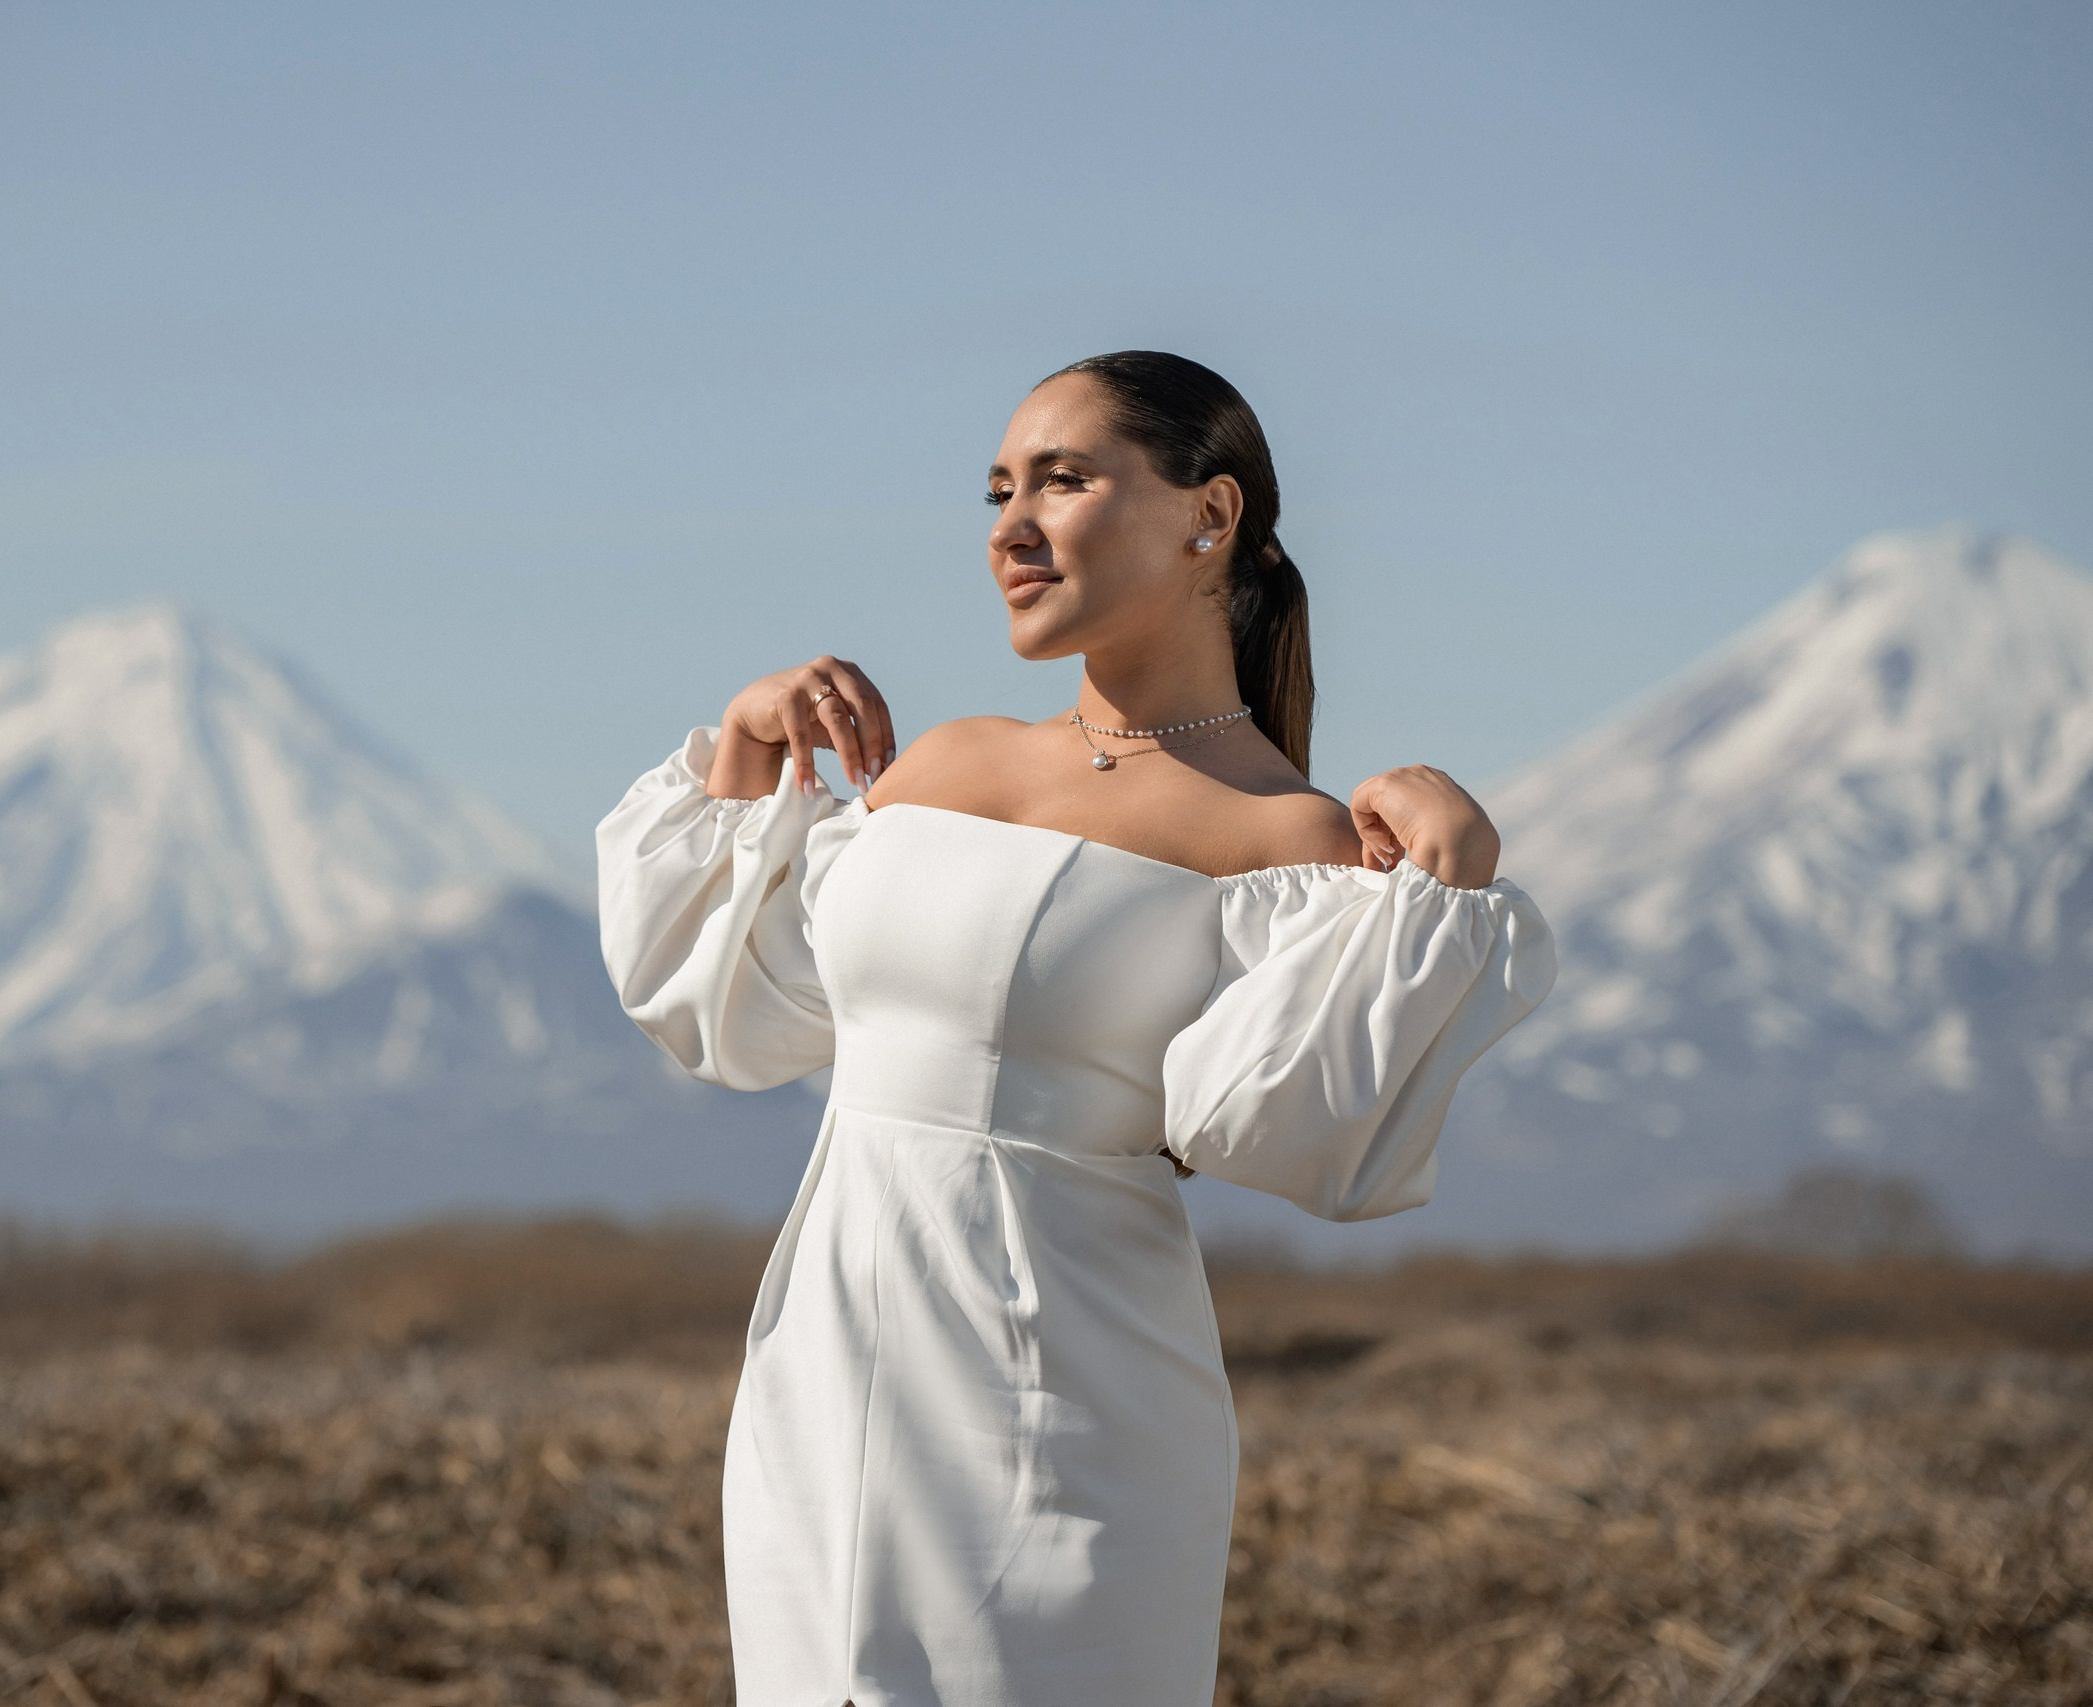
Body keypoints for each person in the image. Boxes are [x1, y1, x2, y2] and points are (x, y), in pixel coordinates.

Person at [593, 350, 1557, 1706]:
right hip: (822, 1371)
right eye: (999, 488)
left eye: (1062, 478)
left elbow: (1277, 1135)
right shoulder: (938, 766)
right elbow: (735, 1013)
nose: (1009, 524)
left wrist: (1433, 892)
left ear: (1206, 516)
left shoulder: (1296, 843)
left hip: (1072, 1404)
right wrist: (750, 752)